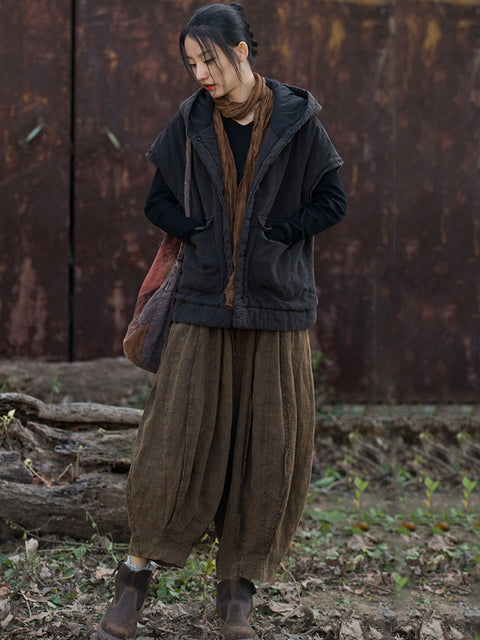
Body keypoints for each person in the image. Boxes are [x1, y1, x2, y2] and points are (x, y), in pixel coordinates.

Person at [98, 3, 347, 639]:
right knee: (170, 443)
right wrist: (198, 233)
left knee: (267, 449)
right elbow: (157, 200)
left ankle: (237, 592)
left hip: (276, 308)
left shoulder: (298, 120)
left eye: (208, 59)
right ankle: (133, 580)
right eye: (191, 63)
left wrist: (279, 234)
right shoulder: (189, 121)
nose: (200, 73)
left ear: (241, 53)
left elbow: (333, 200)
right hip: (203, 304)